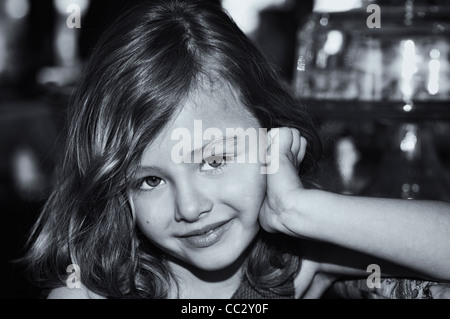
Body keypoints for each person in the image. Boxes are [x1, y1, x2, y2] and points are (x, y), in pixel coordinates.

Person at [23, 0, 450, 299]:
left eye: (214, 159)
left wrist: (299, 209)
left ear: (270, 134)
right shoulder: (86, 294)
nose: (189, 208)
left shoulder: (299, 264)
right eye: (149, 180)